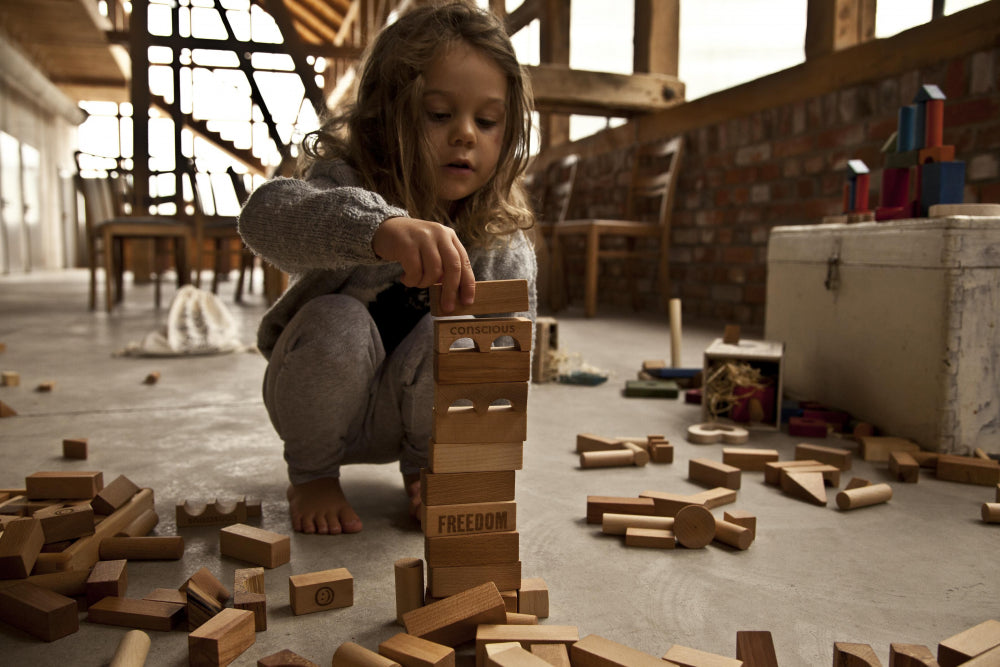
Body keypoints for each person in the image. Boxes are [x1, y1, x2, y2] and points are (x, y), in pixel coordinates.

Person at [238, 0, 537, 535]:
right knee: (339, 320)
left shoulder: (499, 239)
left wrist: (469, 462)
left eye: (487, 121)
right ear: (385, 116)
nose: (466, 134)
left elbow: (506, 365)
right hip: (319, 401)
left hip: (416, 419)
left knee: (462, 336)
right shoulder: (347, 183)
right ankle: (312, 476)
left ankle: (427, 467)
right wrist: (375, 231)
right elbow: (264, 216)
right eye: (440, 114)